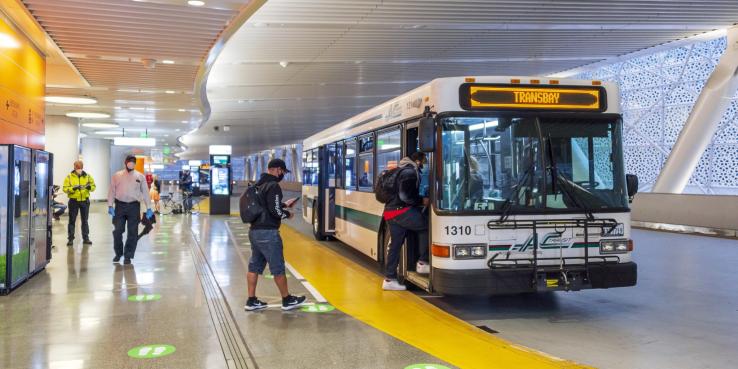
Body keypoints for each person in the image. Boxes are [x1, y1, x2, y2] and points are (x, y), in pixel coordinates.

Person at [245, 158, 306, 311]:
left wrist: (285, 204)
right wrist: (287, 214)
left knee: (254, 266)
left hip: (254, 231)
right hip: (268, 233)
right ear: (278, 169)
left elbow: (265, 205)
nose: (283, 175)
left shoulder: (258, 184)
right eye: (283, 172)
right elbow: (275, 211)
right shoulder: (274, 186)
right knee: (277, 267)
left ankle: (251, 300)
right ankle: (287, 299)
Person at [382, 152, 429, 291]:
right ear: (418, 160)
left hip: (390, 212)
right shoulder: (410, 172)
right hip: (401, 211)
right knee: (427, 226)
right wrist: (421, 200)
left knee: (395, 245)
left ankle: (389, 279)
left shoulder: (400, 169)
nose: (425, 164)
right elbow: (405, 195)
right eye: (425, 161)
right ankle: (423, 262)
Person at [107, 155, 154, 265]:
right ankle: (118, 253)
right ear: (125, 162)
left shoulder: (140, 176)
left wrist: (149, 208)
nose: (131, 163)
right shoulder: (117, 176)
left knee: (132, 232)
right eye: (130, 161)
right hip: (120, 206)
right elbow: (112, 191)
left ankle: (128, 255)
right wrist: (110, 205)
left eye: (133, 161)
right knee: (118, 231)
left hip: (134, 206)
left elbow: (146, 193)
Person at [63, 160, 96, 246]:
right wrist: (72, 189)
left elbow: (93, 186)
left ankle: (86, 238)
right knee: (72, 220)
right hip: (73, 201)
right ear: (74, 167)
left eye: (80, 168)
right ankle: (70, 239)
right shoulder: (69, 177)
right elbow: (65, 189)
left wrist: (89, 187)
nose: (79, 169)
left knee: (85, 220)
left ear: (82, 167)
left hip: (85, 201)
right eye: (77, 168)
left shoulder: (87, 176)